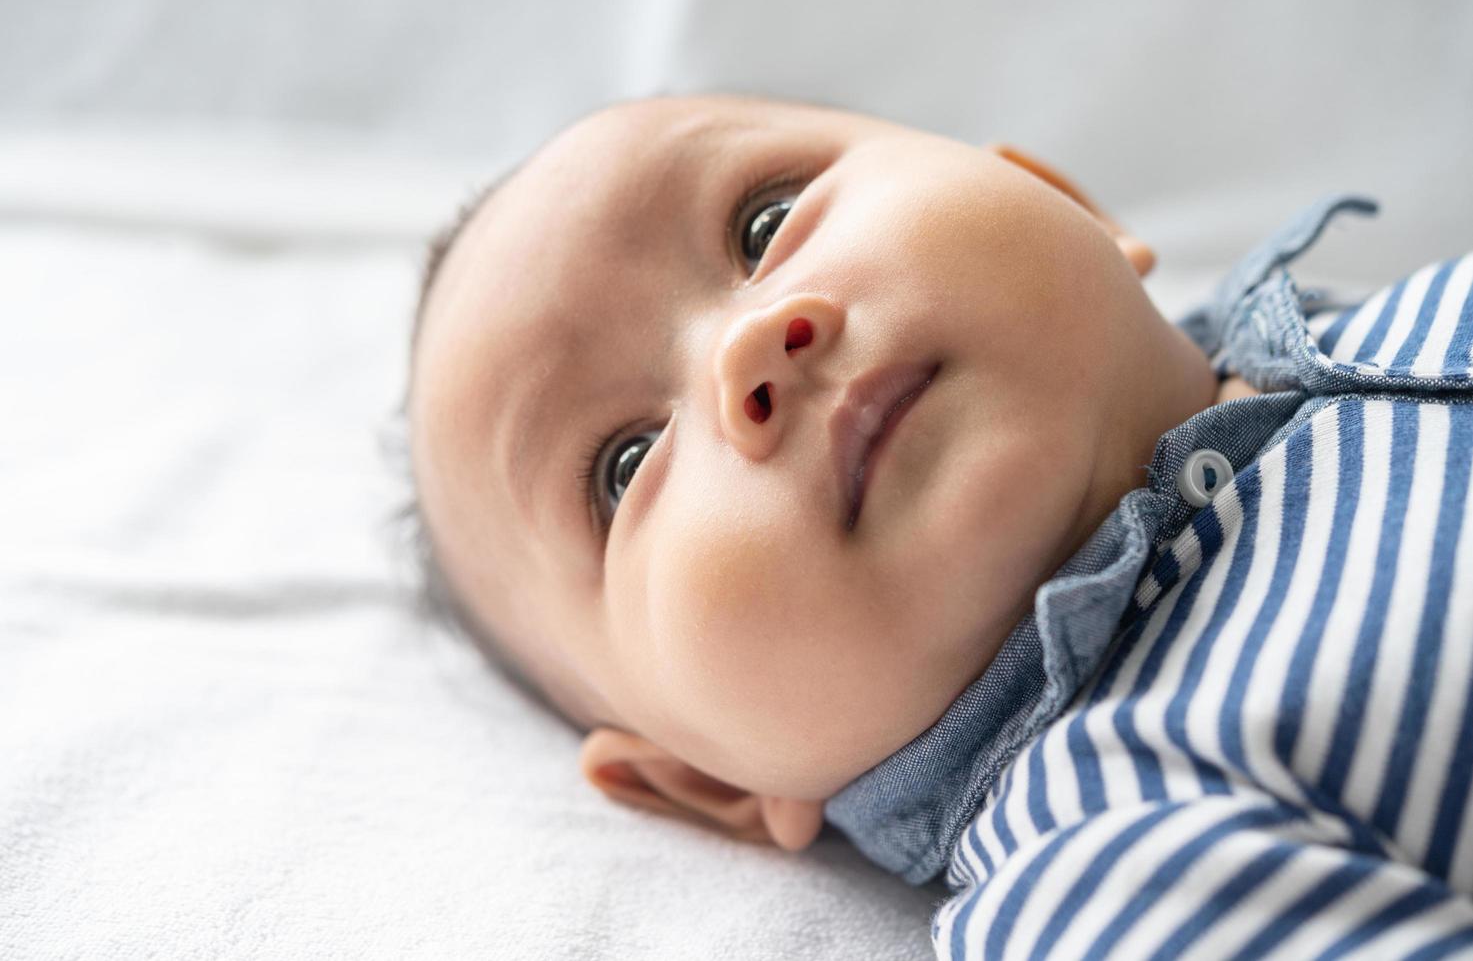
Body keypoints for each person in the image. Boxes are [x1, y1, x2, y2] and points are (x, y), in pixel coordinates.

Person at [406, 93, 1473, 957]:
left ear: (1057, 195)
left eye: (765, 223)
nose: (751, 346)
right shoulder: (1108, 859)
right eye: (624, 466)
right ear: (705, 778)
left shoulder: (1420, 315)